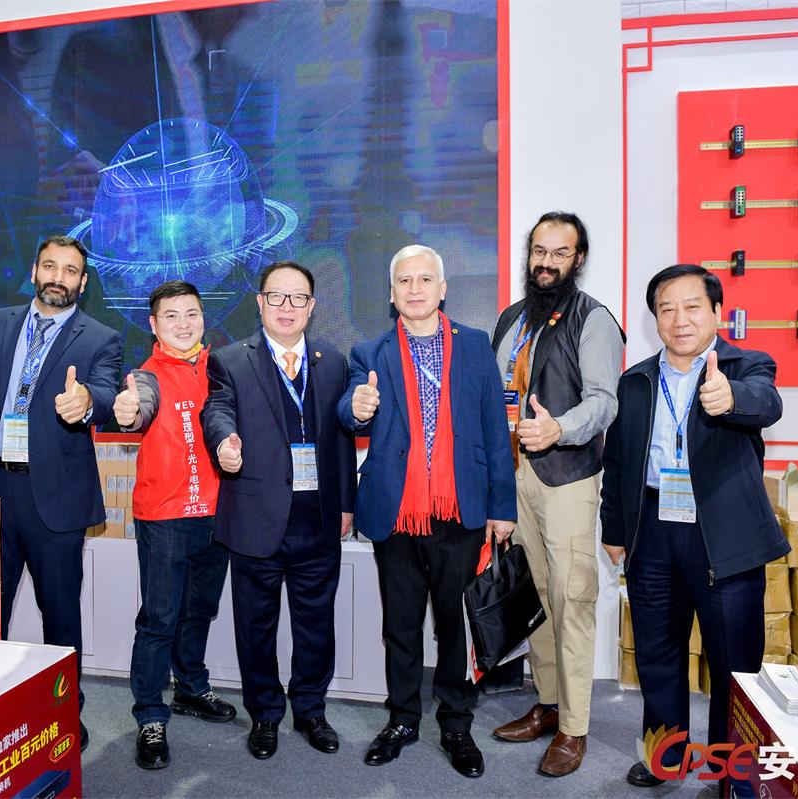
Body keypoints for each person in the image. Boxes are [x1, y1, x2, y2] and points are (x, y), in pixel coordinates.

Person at [600, 264, 788, 787]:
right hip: (654, 529)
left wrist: (733, 398)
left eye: (691, 307)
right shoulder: (636, 381)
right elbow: (618, 462)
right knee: (658, 654)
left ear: (716, 312)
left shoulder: (746, 366)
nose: (679, 319)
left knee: (734, 661)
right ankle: (666, 758)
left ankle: (733, 771)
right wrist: (613, 531)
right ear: (655, 319)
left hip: (724, 533)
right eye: (667, 309)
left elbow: (767, 402)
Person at [338, 245, 516, 779]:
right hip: (396, 513)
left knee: (455, 626)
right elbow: (350, 408)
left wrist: (502, 505)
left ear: (442, 289)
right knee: (400, 625)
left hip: (460, 510)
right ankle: (402, 719)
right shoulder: (369, 352)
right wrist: (357, 409)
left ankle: (457, 724)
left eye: (424, 280)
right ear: (391, 294)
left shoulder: (476, 345)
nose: (414, 289)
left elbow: (495, 428)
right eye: (404, 281)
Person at [0, 234, 123, 752]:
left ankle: (64, 712)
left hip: (54, 496)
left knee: (60, 614)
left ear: (83, 282)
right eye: (50, 266)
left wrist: (86, 402)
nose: (58, 277)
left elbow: (105, 392)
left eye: (70, 270)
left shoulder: (101, 338)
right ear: (34, 271)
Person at [200, 261, 356, 761]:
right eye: (277, 296)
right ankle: (265, 714)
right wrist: (224, 441)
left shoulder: (333, 361)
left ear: (312, 306)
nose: (287, 307)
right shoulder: (230, 360)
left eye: (298, 298)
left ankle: (310, 710)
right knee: (256, 627)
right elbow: (216, 410)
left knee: (317, 626)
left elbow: (341, 440)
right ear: (260, 302)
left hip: (318, 519)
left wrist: (346, 504)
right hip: (256, 519)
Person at [489, 212, 624, 777]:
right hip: (515, 479)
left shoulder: (594, 320)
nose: (546, 263)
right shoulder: (512, 318)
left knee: (572, 600)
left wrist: (558, 429)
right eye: (539, 251)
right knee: (535, 598)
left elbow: (604, 401)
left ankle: (574, 727)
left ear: (578, 259)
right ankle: (546, 705)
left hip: (566, 478)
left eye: (559, 253)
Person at [113, 280, 235, 770]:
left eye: (191, 314)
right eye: (171, 316)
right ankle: (149, 714)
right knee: (159, 620)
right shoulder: (146, 376)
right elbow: (136, 410)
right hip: (165, 518)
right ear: (153, 324)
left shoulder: (222, 368)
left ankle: (191, 687)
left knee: (199, 611)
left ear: (203, 317)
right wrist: (127, 414)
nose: (183, 324)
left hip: (218, 514)